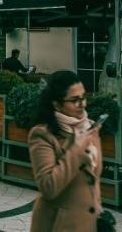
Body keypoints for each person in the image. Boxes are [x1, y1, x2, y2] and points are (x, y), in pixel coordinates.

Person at [27, 70, 104, 232]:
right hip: (59, 226)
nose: (82, 104)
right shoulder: (42, 134)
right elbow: (48, 187)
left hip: (88, 224)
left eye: (84, 97)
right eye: (75, 100)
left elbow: (93, 179)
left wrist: (96, 208)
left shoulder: (90, 128)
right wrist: (77, 149)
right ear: (57, 104)